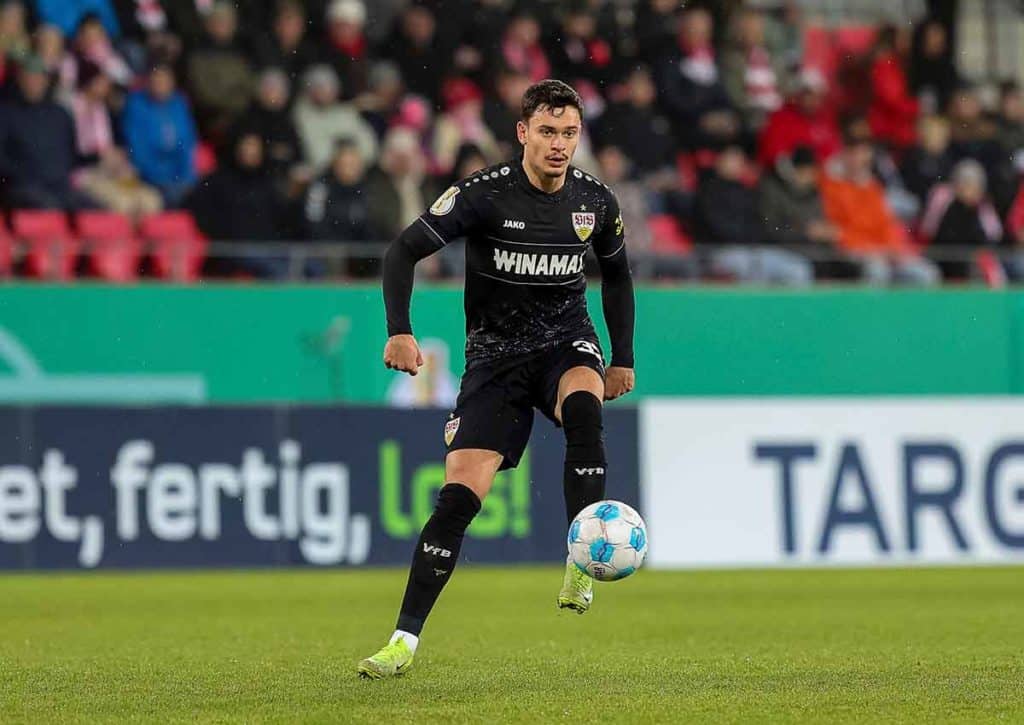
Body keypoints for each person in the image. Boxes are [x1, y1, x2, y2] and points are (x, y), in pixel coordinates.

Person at [359, 79, 635, 679]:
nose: (559, 145)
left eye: (568, 133)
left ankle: (581, 560)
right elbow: (401, 252)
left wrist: (622, 358)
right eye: (547, 132)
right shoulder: (483, 196)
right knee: (458, 499)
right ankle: (402, 641)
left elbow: (617, 277)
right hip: (495, 360)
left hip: (566, 341)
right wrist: (399, 330)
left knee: (584, 409)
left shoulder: (596, 202)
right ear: (523, 133)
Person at [0, 54, 96, 209]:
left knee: (97, 211)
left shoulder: (60, 114)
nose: (33, 82)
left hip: (59, 188)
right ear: (19, 80)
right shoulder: (5, 113)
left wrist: (97, 157)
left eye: (38, 77)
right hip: (23, 188)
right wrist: (22, 175)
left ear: (46, 81)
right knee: (49, 207)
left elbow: (72, 157)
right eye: (28, 77)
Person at [121, 60, 197, 206]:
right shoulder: (136, 105)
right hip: (149, 178)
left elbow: (187, 145)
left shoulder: (179, 105)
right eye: (156, 80)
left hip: (179, 178)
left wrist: (185, 177)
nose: (160, 85)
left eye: (165, 80)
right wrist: (161, 177)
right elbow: (138, 149)